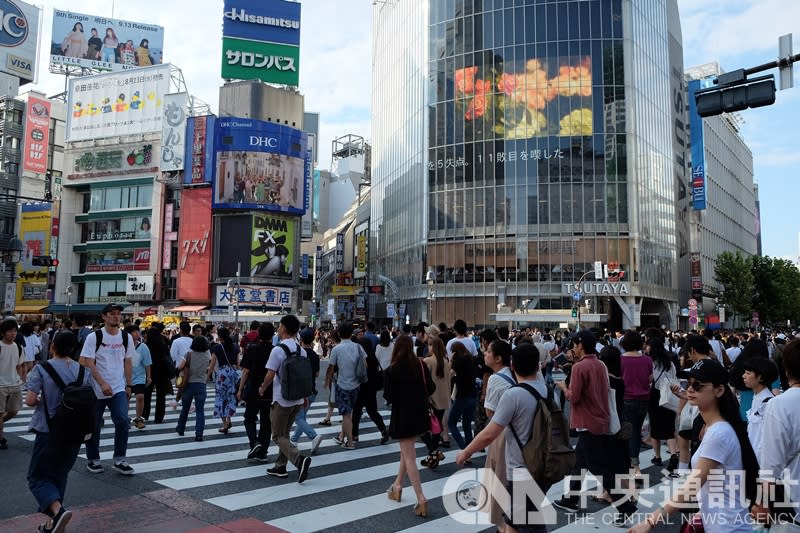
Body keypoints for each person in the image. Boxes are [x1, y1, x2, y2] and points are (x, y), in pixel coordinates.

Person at [628, 358, 759, 533]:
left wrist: (651, 520)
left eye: (698, 386)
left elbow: (693, 484)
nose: (690, 389)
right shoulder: (712, 427)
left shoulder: (719, 433)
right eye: (688, 383)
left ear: (719, 390)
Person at [457, 343, 550, 533]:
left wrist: (467, 451)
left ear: (513, 366)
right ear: (537, 366)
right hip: (542, 463)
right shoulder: (545, 389)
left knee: (529, 523)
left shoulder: (514, 395)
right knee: (516, 521)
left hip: (521, 468)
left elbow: (490, 432)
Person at [554, 330, 637, 525]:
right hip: (601, 419)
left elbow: (574, 397)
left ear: (581, 345)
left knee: (597, 467)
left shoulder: (579, 367)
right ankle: (571, 498)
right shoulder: (600, 364)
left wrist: (563, 387)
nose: (573, 348)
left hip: (587, 421)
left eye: (574, 344)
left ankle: (625, 506)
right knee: (580, 462)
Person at [25, 331, 89, 533]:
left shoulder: (42, 369)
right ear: (73, 348)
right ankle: (53, 525)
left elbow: (30, 400)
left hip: (48, 430)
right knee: (60, 474)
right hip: (75, 432)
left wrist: (42, 400)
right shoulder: (83, 371)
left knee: (37, 477)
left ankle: (58, 512)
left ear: (52, 346)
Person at [80, 303, 136, 475]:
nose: (116, 317)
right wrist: (102, 383)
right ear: (104, 316)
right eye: (112, 314)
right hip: (96, 387)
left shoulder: (126, 337)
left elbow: (128, 361)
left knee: (122, 420)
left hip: (118, 386)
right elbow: (88, 362)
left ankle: (120, 459)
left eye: (118, 314)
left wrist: (128, 384)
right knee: (93, 425)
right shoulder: (94, 337)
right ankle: (93, 458)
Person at [384, 335, 434, 518]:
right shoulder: (419, 365)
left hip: (402, 414)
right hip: (419, 413)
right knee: (407, 452)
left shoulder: (392, 370)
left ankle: (421, 498)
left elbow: (388, 396)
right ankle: (397, 486)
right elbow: (431, 387)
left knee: (409, 456)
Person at [257, 315, 312, 483]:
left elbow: (270, 373)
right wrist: (304, 397)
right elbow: (303, 376)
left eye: (280, 326)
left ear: (285, 328)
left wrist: (262, 387)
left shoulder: (278, 350)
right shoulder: (300, 349)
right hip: (296, 399)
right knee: (284, 433)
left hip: (281, 399)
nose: (278, 329)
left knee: (277, 435)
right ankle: (280, 466)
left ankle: (298, 459)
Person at [756, 338, 800, 532]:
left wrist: (763, 503)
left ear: (787, 369)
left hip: (794, 501)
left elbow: (770, 463)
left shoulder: (780, 404)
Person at [479, 339, 515, 530]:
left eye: (488, 351)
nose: (485, 353)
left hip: (500, 435)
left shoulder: (495, 379)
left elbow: (490, 413)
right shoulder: (512, 374)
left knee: (498, 479)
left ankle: (503, 526)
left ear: (498, 358)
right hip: (517, 434)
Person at [326, 323, 366, 449]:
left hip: (342, 384)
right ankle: (342, 436)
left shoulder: (337, 349)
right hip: (356, 384)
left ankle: (349, 442)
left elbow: (331, 367)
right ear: (351, 334)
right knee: (350, 413)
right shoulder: (358, 347)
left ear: (339, 334)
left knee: (346, 414)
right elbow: (365, 364)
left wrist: (326, 381)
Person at [238, 323, 274, 462]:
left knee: (249, 418)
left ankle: (254, 442)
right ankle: (262, 451)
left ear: (259, 333)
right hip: (270, 391)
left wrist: (240, 389)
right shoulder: (276, 350)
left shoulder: (252, 349)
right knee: (266, 421)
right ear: (272, 334)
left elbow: (246, 371)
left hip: (253, 389)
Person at [619, 331, 653, 474]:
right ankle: (634, 462)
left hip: (626, 399)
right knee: (636, 432)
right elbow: (650, 378)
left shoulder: (620, 360)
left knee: (627, 432)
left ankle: (633, 464)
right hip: (643, 399)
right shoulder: (646, 360)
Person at [645, 336, 678, 472]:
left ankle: (657, 457)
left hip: (655, 395)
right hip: (669, 394)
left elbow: (649, 379)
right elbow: (674, 377)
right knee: (669, 427)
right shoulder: (669, 362)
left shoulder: (650, 362)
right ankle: (673, 454)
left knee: (655, 426)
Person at [290, 327, 324, 453]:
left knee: (298, 418)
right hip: (311, 390)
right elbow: (316, 374)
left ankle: (313, 435)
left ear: (301, 339)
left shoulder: (299, 353)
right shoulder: (315, 356)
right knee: (302, 417)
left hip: (300, 391)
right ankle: (294, 440)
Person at [351, 337, 388, 445]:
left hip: (361, 387)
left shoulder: (360, 357)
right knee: (372, 411)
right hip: (371, 388)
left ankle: (355, 435)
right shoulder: (373, 357)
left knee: (357, 412)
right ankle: (383, 430)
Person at [420, 335, 450, 468]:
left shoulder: (428, 361)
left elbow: (425, 382)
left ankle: (434, 452)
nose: (428, 347)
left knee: (422, 428)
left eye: (430, 345)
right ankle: (433, 458)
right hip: (443, 398)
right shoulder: (445, 361)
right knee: (437, 428)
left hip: (432, 399)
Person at [175, 336, 212, 441]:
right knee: (200, 410)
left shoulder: (189, 354)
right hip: (201, 384)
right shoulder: (207, 355)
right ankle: (199, 433)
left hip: (188, 385)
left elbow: (179, 366)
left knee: (185, 409)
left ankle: (181, 428)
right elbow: (209, 367)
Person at [742, 357, 778, 459]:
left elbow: (765, 440)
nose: (743, 376)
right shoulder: (757, 398)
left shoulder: (767, 403)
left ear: (760, 377)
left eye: (748, 373)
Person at [448, 341, 478, 450]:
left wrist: (451, 360)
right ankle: (469, 450)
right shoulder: (471, 360)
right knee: (467, 424)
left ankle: (463, 448)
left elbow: (448, 374)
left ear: (455, 352)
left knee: (451, 423)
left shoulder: (458, 362)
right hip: (473, 396)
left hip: (462, 397)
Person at [0, 318, 25, 450]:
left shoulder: (19, 347)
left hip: (15, 384)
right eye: (9, 331)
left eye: (15, 331)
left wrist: (21, 378)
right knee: (0, 412)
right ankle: (1, 438)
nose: (13, 333)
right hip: (0, 385)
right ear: (3, 333)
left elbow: (19, 365)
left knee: (13, 411)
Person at [209, 327, 239, 434]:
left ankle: (225, 424)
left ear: (219, 336)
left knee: (220, 398)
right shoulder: (235, 347)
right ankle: (229, 419)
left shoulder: (217, 347)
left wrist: (208, 375)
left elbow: (212, 364)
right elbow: (238, 362)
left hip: (222, 374)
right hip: (233, 373)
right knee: (230, 397)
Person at [143, 328, 171, 424]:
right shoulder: (163, 345)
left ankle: (145, 415)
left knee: (147, 395)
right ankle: (159, 418)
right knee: (161, 396)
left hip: (149, 372)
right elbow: (168, 358)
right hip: (162, 372)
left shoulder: (146, 346)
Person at [126, 325, 152, 430]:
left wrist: (149, 377)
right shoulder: (123, 346)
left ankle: (138, 418)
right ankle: (125, 418)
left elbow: (147, 363)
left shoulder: (143, 347)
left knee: (140, 397)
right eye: (134, 332)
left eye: (138, 332)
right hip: (125, 377)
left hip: (139, 377)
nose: (137, 334)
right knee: (125, 398)